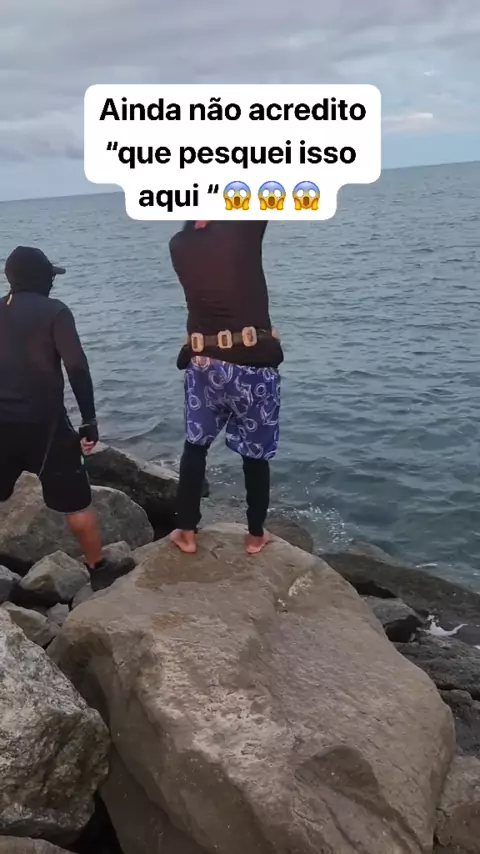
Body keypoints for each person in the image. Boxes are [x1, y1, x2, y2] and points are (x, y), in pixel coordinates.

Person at [0, 246, 132, 590]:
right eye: (50, 277)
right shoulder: (55, 311)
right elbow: (77, 367)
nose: (53, 283)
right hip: (47, 428)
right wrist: (89, 420)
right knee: (77, 503)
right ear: (40, 278)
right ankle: (98, 568)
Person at [168, 220, 283, 555]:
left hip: (203, 364)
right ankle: (255, 535)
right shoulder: (242, 227)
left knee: (196, 444)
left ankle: (187, 531)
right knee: (255, 453)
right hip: (252, 366)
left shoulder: (178, 244)